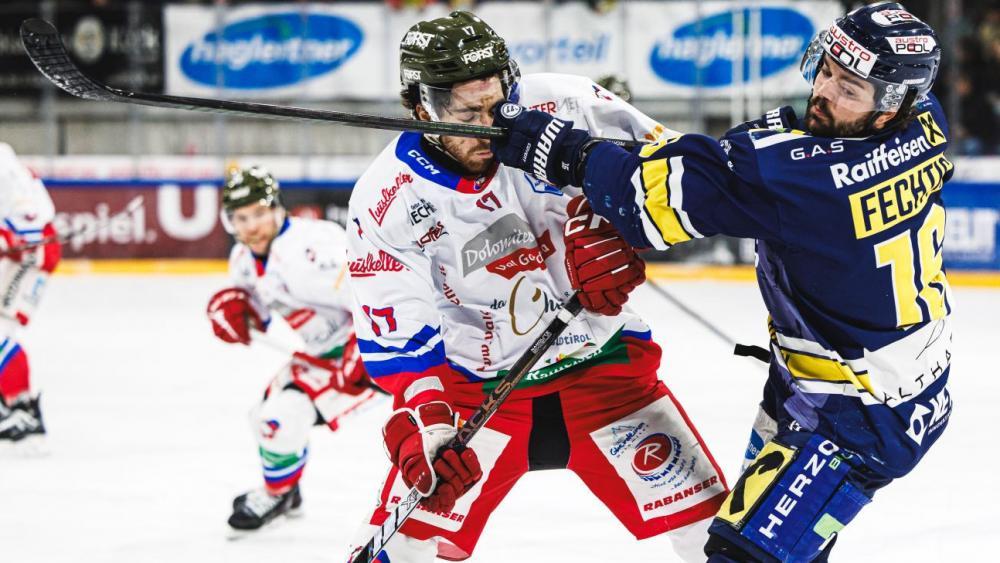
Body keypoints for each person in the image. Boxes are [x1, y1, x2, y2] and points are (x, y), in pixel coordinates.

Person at [490, 3, 951, 561]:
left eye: (849, 88)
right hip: (863, 384)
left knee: (739, 555)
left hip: (855, 414)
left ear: (890, 107)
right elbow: (741, 172)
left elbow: (647, 202)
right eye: (826, 69)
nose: (824, 92)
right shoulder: (927, 123)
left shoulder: (800, 179)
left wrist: (564, 151)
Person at [346, 11, 727, 562]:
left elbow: (687, 183)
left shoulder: (569, 105)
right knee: (398, 551)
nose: (490, 125)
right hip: (478, 397)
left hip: (609, 375)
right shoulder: (385, 199)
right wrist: (426, 427)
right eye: (465, 113)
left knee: (722, 542)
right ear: (419, 105)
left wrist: (624, 233)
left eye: (497, 104)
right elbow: (401, 335)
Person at [206, 166, 378, 532]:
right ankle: (287, 489)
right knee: (263, 415)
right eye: (240, 217)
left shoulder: (314, 250)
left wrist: (365, 353)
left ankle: (277, 491)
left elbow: (375, 296)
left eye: (258, 214)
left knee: (280, 419)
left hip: (373, 350)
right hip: (324, 354)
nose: (250, 226)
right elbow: (256, 314)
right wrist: (233, 313)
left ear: (277, 208)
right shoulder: (242, 258)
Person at [0, 143, 61, 447]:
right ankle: (17, 405)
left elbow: (29, 216)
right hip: (21, 251)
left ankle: (19, 410)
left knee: (1, 328)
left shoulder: (1, 161)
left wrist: (8, 236)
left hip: (30, 253)